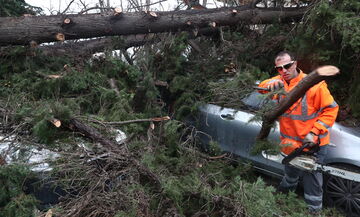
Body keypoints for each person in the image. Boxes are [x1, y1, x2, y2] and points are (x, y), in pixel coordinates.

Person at [258, 51, 339, 213]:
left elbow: (331, 110)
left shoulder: (314, 85)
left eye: (287, 66)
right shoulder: (279, 83)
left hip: (313, 144)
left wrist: (315, 132)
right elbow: (261, 88)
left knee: (312, 180)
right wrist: (269, 85)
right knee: (290, 174)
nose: (284, 71)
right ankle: (282, 199)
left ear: (295, 63)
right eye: (279, 68)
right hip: (289, 144)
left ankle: (313, 210)